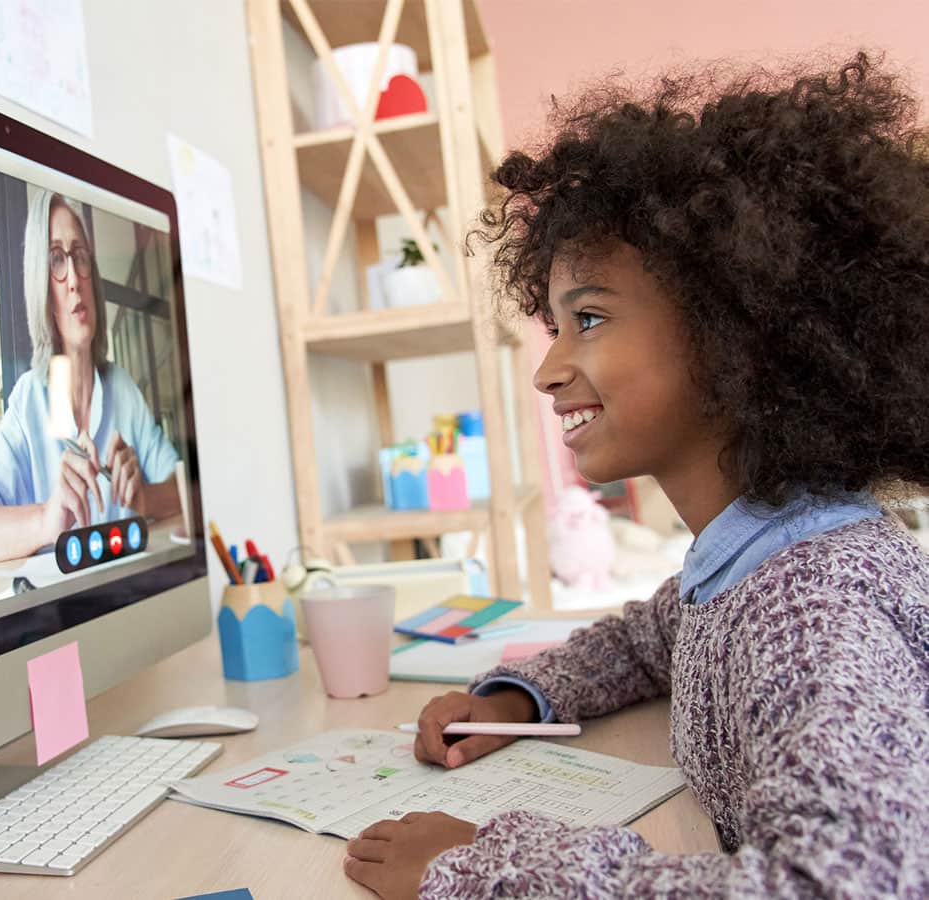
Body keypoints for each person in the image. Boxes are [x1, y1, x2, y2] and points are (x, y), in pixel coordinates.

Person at [343, 52, 929, 899]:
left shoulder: (813, 609)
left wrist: (484, 869)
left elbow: (856, 887)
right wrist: (522, 697)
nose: (547, 372)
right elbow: (651, 640)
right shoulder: (755, 558)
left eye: (588, 318)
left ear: (738, 333)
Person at [0, 189, 181, 564]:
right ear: (42, 289)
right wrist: (45, 519)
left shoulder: (121, 389)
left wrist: (144, 499)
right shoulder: (31, 399)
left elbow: (185, 491)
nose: (73, 278)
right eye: (56, 259)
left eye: (80, 257)